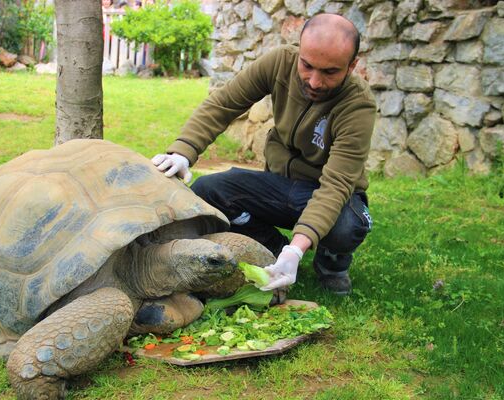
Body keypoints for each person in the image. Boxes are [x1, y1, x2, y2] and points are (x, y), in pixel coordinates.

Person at [151, 13, 376, 296]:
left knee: (347, 226)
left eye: (330, 72)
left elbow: (336, 184)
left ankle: (331, 262)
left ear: (352, 66)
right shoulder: (279, 63)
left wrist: (299, 247)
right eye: (307, 66)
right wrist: (183, 151)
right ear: (299, 51)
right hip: (280, 185)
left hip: (328, 192)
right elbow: (224, 104)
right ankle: (273, 247)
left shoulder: (359, 106)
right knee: (208, 190)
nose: (315, 81)